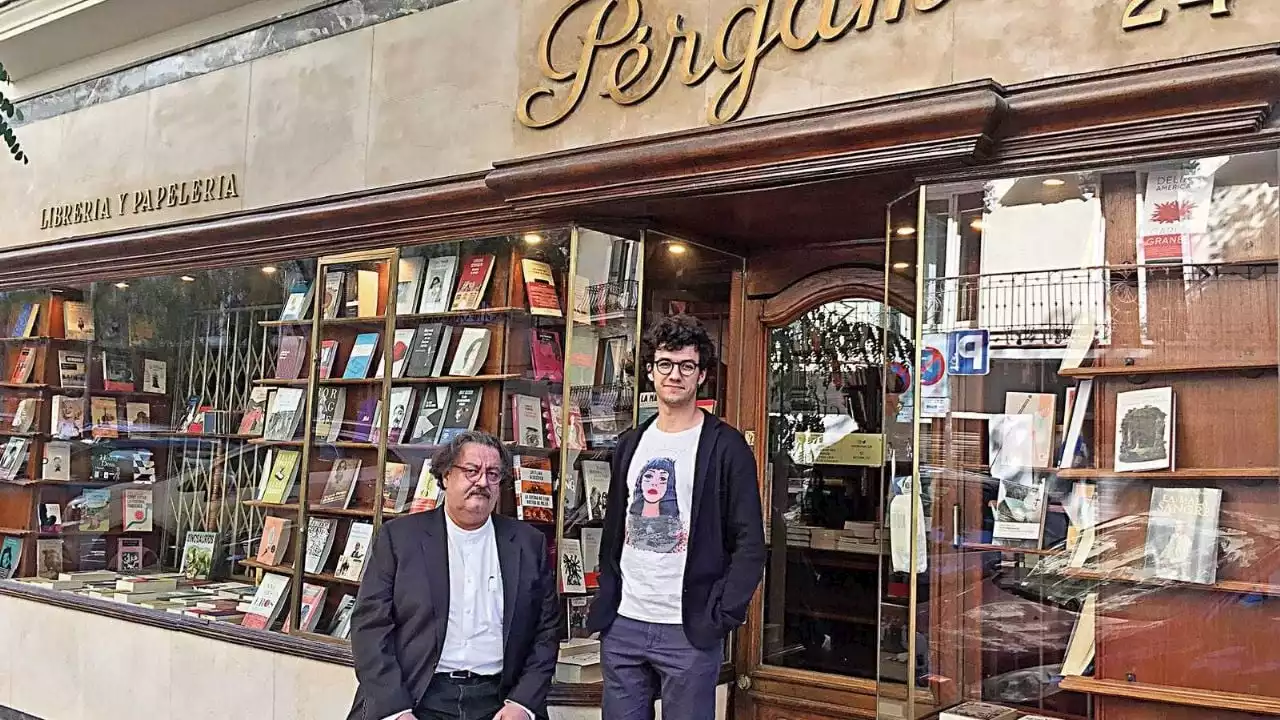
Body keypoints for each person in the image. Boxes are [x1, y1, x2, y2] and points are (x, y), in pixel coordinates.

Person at [588, 314, 767, 719]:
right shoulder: (631, 443)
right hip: (625, 622)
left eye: (687, 366)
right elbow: (614, 530)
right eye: (666, 364)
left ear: (701, 375)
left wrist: (721, 613)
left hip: (688, 627)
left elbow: (750, 544)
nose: (675, 375)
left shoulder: (726, 447)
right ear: (650, 371)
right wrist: (608, 595)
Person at [348, 430, 560, 720]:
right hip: (417, 696)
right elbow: (369, 628)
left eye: (493, 474)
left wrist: (522, 704)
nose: (482, 482)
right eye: (471, 471)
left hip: (500, 701)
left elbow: (547, 631)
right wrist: (395, 709)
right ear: (446, 476)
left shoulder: (528, 543)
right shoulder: (399, 539)